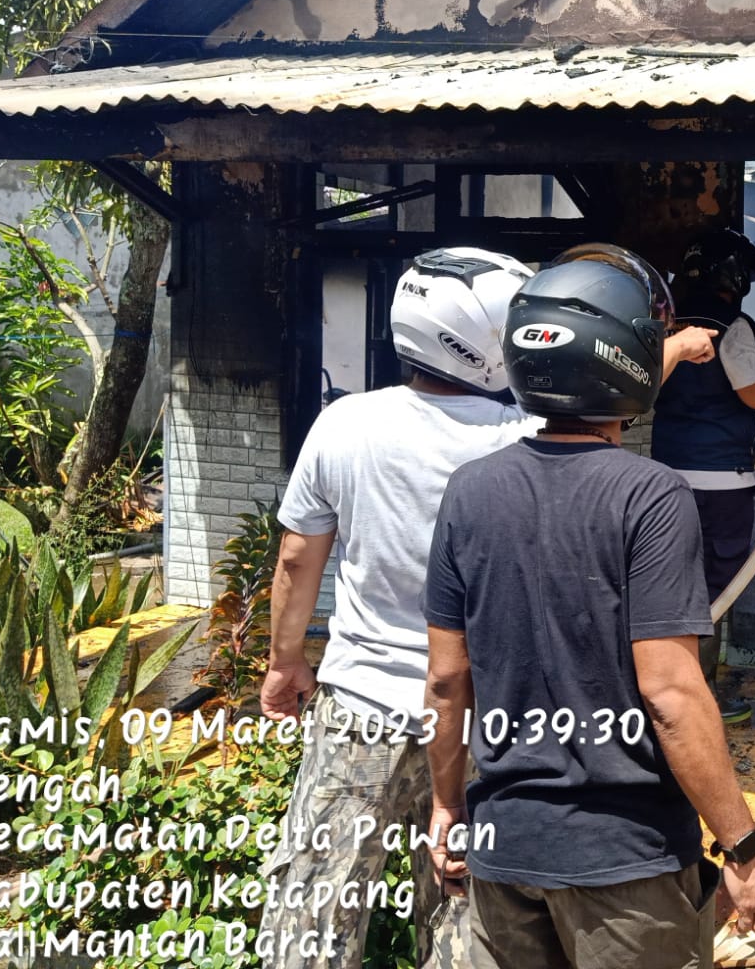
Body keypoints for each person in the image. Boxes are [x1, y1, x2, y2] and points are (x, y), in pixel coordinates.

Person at [422, 243, 755, 969]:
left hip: (504, 852)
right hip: (623, 865)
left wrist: (447, 807)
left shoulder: (469, 490)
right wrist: (746, 852)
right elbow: (671, 694)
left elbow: (444, 680)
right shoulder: (648, 494)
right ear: (625, 358)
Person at [258, 247, 540, 969]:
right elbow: (611, 404)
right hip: (477, 717)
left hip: (359, 708)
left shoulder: (345, 423)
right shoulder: (521, 440)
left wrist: (285, 663)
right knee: (457, 897)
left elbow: (297, 560)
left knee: (315, 904)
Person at [652, 228, 755, 725]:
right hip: (721, 482)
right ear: (734, 278)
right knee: (715, 587)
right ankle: (702, 695)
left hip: (665, 476)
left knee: (667, 581)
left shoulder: (664, 324)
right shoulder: (732, 326)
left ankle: (657, 684)